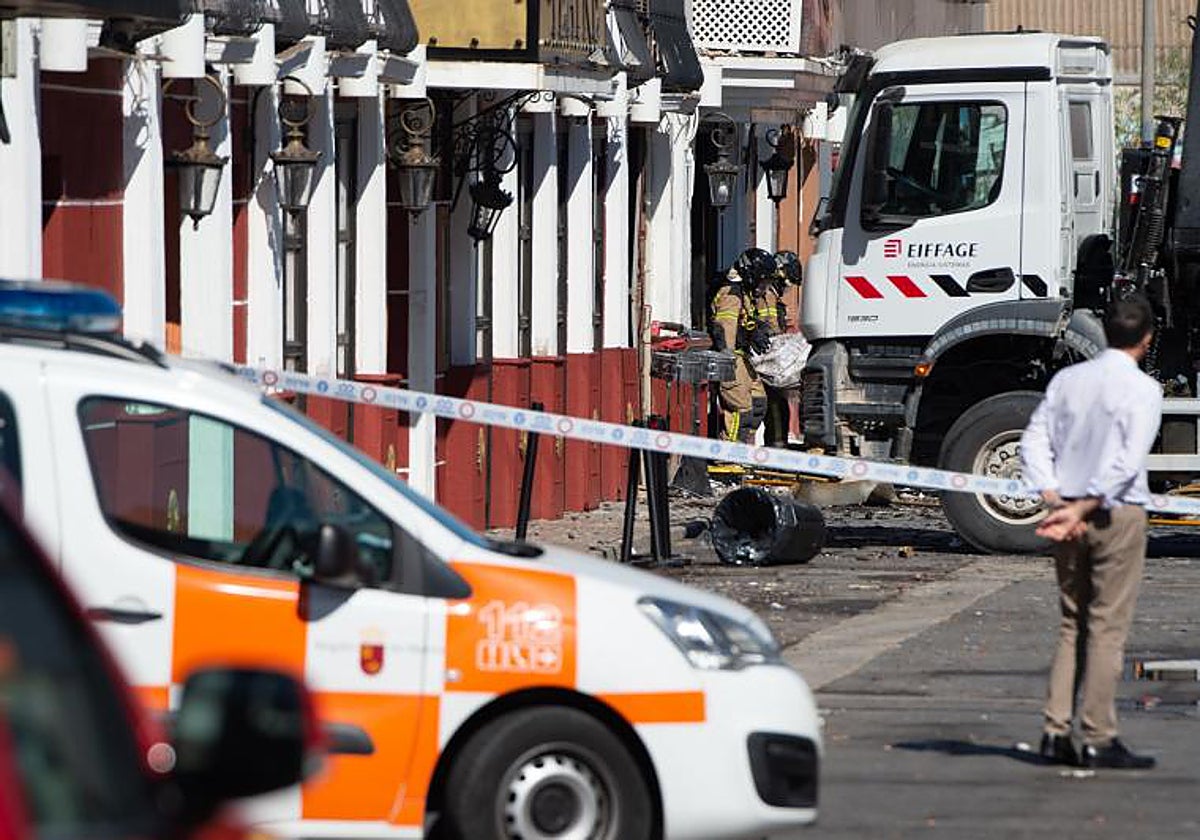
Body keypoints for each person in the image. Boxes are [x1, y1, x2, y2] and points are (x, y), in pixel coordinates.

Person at [1019, 294, 1162, 769]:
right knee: (1105, 628)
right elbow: (1126, 461)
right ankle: (1099, 734)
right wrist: (1083, 506)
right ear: (1146, 339)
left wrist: (1055, 497)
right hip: (1113, 514)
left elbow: (1033, 440)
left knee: (1070, 625)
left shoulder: (1068, 381)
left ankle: (1054, 730)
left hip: (1068, 512)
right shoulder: (1143, 391)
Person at [710, 248, 776, 443]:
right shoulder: (731, 293)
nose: (763, 287)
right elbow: (725, 328)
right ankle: (728, 456)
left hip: (742, 357)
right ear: (751, 274)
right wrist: (728, 362)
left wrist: (755, 329)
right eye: (762, 281)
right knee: (741, 408)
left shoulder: (744, 292)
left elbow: (743, 321)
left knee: (758, 403)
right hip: (730, 358)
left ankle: (743, 450)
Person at [762, 251, 802, 447]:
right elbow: (768, 326)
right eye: (788, 283)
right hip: (763, 360)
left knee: (778, 406)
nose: (788, 288)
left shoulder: (773, 297)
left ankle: (778, 445)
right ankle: (775, 447)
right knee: (771, 407)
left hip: (770, 359)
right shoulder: (768, 294)